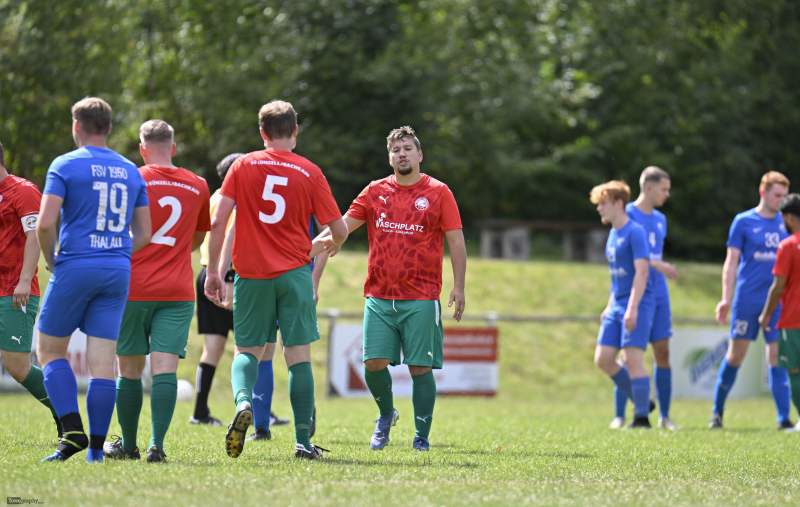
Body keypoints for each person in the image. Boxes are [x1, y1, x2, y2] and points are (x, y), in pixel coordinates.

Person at [204, 99, 347, 459]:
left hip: (252, 276)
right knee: (298, 357)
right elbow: (339, 230)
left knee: (247, 351)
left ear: (262, 133)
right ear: (295, 132)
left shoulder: (242, 165)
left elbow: (220, 221)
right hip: (295, 275)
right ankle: (302, 441)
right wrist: (314, 250)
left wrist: (216, 272)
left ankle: (242, 404)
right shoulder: (310, 171)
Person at [321, 126, 467, 452]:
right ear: (390, 157)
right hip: (379, 295)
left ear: (419, 155)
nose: (402, 153)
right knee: (373, 363)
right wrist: (309, 248)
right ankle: (386, 415)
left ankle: (422, 436)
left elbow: (456, 240)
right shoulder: (374, 191)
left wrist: (458, 287)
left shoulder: (439, 192)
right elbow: (342, 228)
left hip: (422, 295)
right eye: (396, 150)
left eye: (407, 148)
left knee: (419, 368)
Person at [36, 97, 151, 462]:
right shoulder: (130, 169)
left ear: (76, 127)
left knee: (50, 351)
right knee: (104, 363)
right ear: (110, 128)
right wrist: (115, 251)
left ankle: (72, 432)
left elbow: (44, 223)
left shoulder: (65, 165)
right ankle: (97, 452)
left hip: (75, 265)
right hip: (117, 269)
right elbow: (145, 233)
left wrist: (52, 259)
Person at [102, 120, 210, 462]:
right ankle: (157, 447)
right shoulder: (198, 185)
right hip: (176, 290)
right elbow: (196, 239)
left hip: (131, 286)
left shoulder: (130, 177)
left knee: (129, 369)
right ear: (173, 148)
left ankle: (129, 446)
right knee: (166, 370)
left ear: (142, 149)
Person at [712, 172, 793, 429]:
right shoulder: (743, 221)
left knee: (777, 356)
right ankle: (717, 413)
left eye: (784, 195)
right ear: (763, 192)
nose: (781, 200)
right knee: (735, 356)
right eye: (777, 195)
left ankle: (784, 420)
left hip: (777, 302)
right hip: (747, 300)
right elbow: (731, 262)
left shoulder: (787, 223)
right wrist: (725, 298)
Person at [0, 139, 61, 438]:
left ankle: (65, 414)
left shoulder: (22, 190)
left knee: (17, 366)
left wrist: (25, 279)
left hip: (14, 291)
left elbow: (34, 236)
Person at [610, 167, 679, 430]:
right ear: (648, 188)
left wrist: (659, 268)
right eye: (664, 188)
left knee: (663, 351)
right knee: (629, 356)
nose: (667, 194)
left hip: (658, 293)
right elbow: (623, 259)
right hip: (634, 293)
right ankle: (620, 414)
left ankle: (665, 415)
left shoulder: (661, 219)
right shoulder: (627, 216)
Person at [592, 180, 656, 429]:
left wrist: (633, 307)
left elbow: (642, 273)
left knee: (631, 358)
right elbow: (618, 275)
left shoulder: (635, 232)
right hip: (617, 304)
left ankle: (642, 418)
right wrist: (610, 304)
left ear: (619, 204)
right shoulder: (613, 234)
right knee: (604, 359)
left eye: (603, 204)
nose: (599, 209)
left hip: (638, 303)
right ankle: (642, 401)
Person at [760, 193, 800, 431]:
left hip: (794, 320)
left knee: (794, 369)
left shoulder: (788, 245)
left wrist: (765, 314)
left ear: (789, 218)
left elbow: (777, 288)